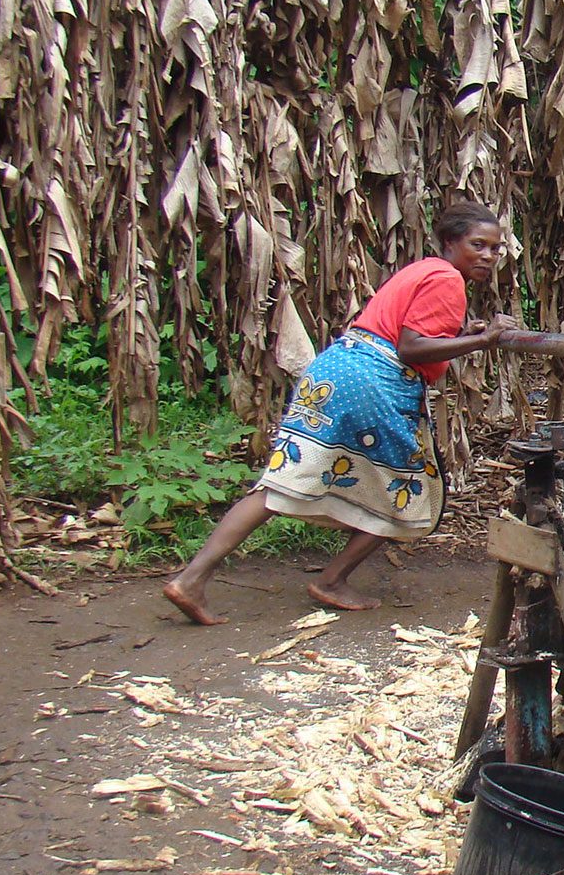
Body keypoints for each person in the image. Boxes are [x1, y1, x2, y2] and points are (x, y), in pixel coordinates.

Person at [163, 202, 517, 625]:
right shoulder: (446, 279)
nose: (488, 256)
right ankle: (330, 579)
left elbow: (408, 333)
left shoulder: (423, 270)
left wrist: (462, 335)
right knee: (412, 493)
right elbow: (411, 348)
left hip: (337, 372)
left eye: (496, 249)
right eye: (478, 244)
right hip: (372, 383)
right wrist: (485, 340)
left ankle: (192, 578)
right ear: (450, 243)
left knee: (283, 480)